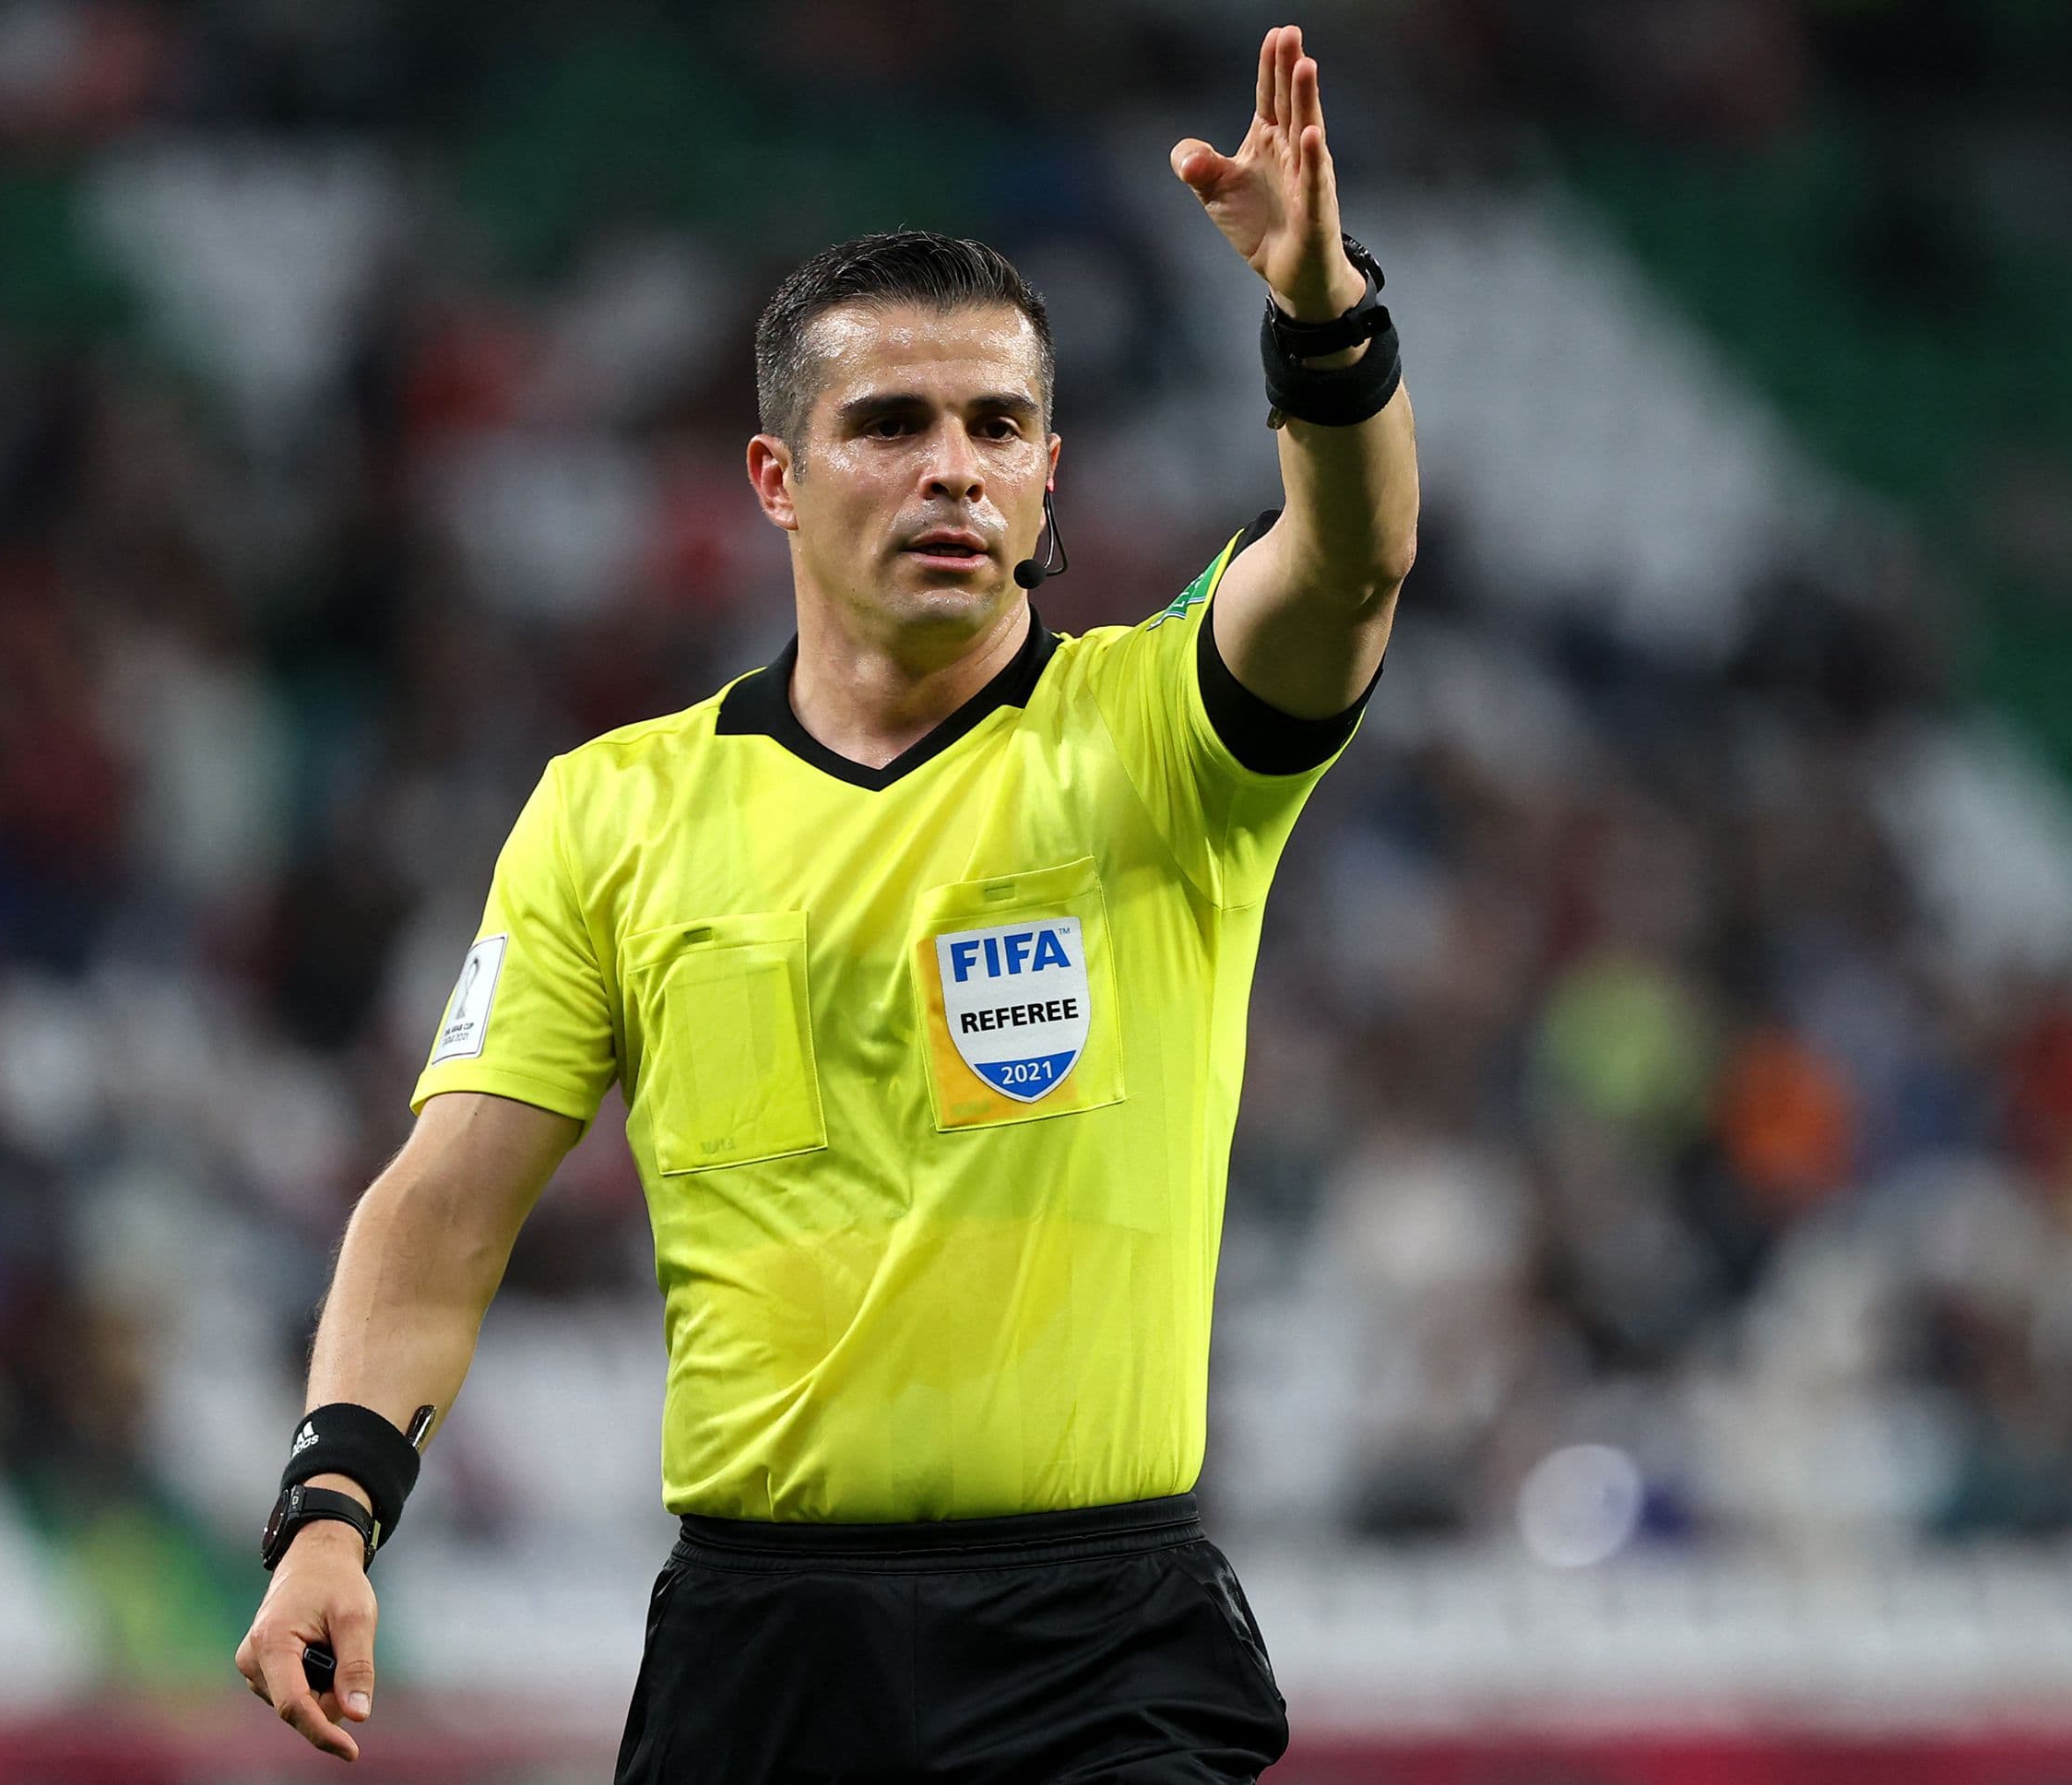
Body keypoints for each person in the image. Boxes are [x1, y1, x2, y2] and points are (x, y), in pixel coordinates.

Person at [235, 24, 1417, 1780]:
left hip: (1095, 1648)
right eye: (889, 424)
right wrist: (334, 1504)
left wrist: (1324, 318)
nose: (952, 467)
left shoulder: (1161, 736)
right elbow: (446, 1201)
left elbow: (1350, 560)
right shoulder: (616, 811)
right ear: (775, 480)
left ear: (1047, 476)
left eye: (997, 426)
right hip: (762, 1647)